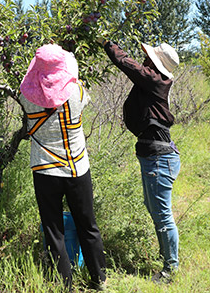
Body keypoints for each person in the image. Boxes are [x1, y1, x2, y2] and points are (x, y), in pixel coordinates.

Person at [19, 44, 107, 291]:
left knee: (53, 230)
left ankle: (63, 284)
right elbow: (75, 86)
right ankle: (99, 278)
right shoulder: (77, 93)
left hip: (45, 171)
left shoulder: (26, 98)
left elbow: (31, 90)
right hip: (77, 167)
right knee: (87, 224)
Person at [97, 38, 181, 283]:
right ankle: (166, 254)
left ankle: (170, 268)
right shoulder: (152, 82)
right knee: (153, 208)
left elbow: (127, 64)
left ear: (154, 63)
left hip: (159, 159)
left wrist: (108, 44)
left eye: (149, 57)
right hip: (154, 157)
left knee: (162, 214)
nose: (144, 59)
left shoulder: (157, 81)